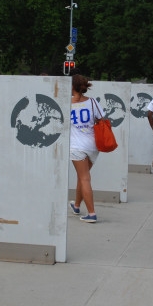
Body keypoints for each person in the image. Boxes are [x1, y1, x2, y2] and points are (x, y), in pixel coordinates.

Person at [68, 74, 103, 223]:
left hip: (76, 146)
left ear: (72, 87)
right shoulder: (93, 102)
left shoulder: (66, 103)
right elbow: (102, 119)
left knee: (84, 178)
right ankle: (76, 205)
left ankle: (92, 213)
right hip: (93, 144)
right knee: (83, 177)